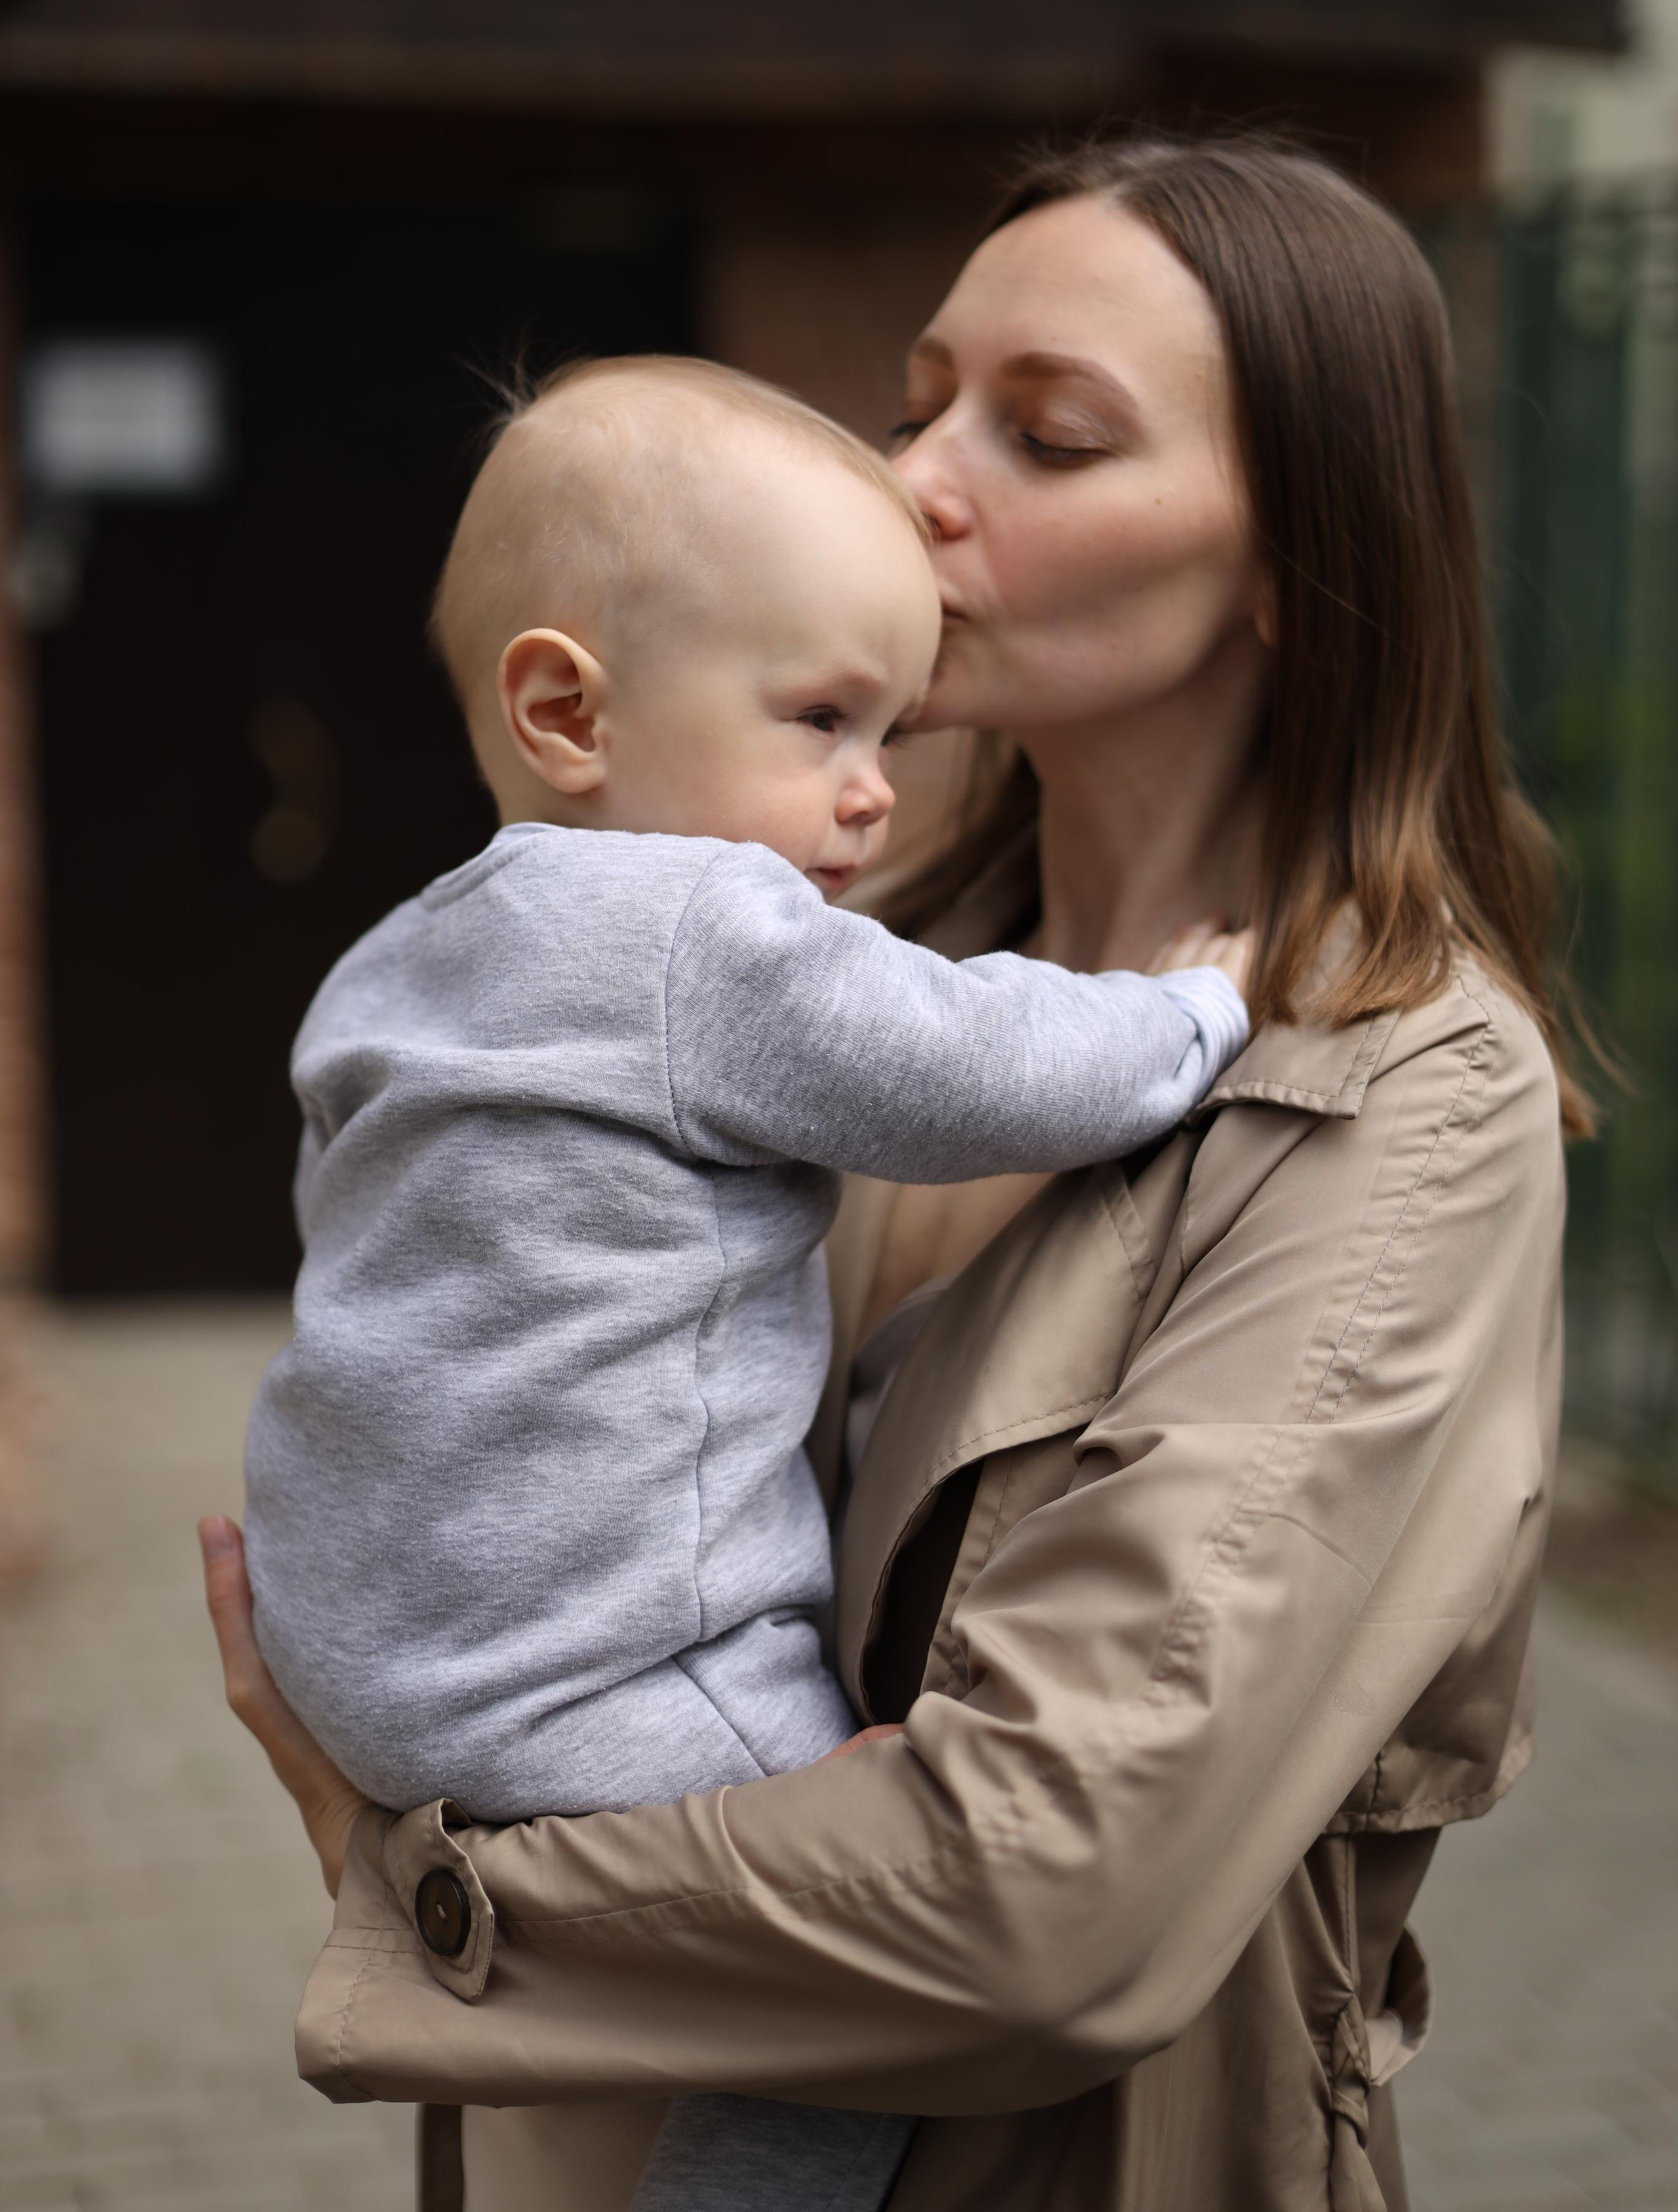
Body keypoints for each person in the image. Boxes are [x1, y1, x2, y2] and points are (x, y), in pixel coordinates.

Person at [202, 135, 1575, 2212]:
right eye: (922, 397)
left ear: (1298, 557)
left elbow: (1046, 1903)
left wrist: (421, 1884)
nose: (919, 480)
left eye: (1047, 434)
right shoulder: (823, 968)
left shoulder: (1397, 1085)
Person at [239, 350, 1249, 2212]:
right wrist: (1196, 1009)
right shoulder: (703, 925)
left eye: (896, 736)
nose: (873, 798)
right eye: (824, 722)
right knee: (869, 1972)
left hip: (345, 1627)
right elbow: (969, 1066)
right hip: (590, 1673)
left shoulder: (398, 957)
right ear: (569, 712)